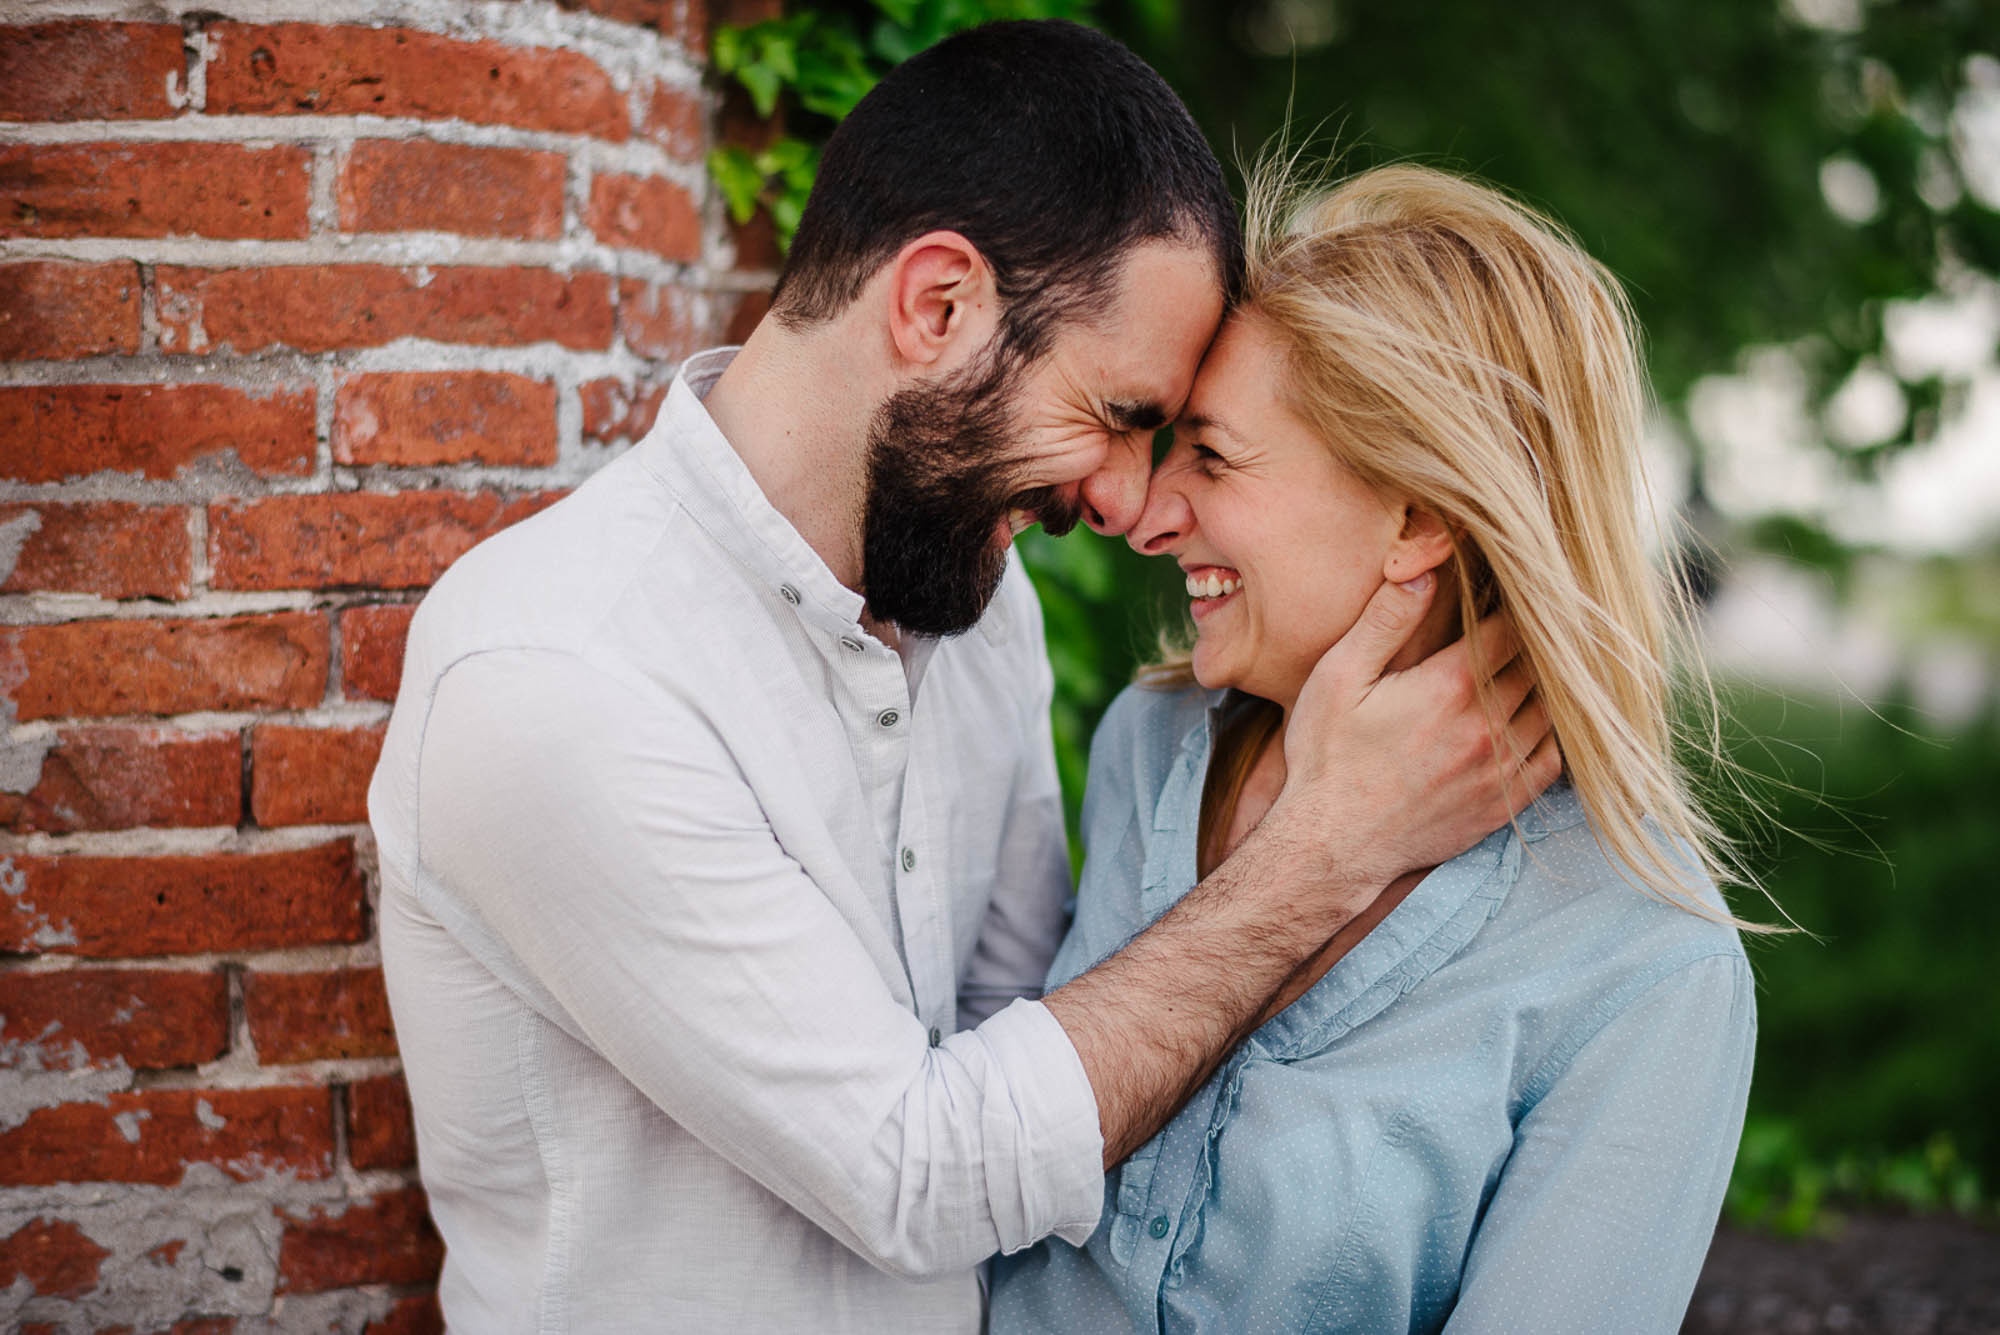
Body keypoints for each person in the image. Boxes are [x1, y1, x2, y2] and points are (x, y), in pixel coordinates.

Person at [369, 24, 1557, 1332]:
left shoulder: (981, 611)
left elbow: (1039, 1044)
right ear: (939, 304)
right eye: (1113, 414)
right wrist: (1334, 839)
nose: (1118, 498)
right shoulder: (556, 673)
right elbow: (921, 1172)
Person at [990, 161, 1761, 1334]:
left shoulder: (1643, 967)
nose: (1147, 515)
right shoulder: (1150, 751)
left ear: (1415, 518)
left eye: (1212, 454)